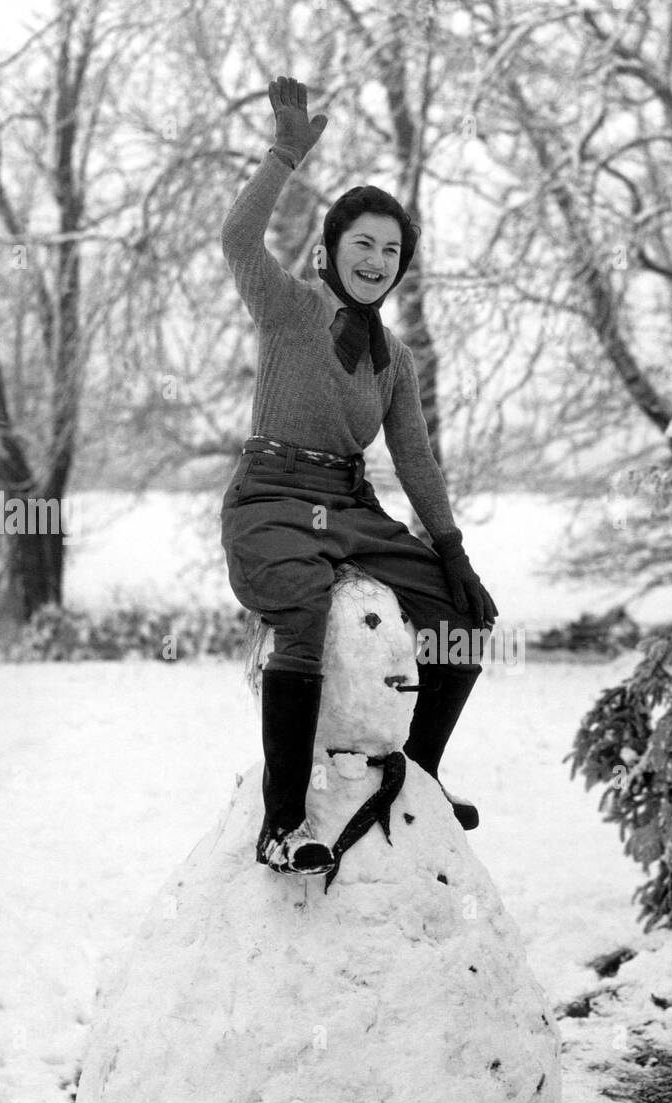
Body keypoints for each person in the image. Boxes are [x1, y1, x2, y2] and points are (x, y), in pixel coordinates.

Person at [220, 76, 498, 877]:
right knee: (303, 614)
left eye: (391, 250)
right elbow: (237, 239)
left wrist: (451, 551)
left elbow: (414, 459)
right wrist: (284, 156)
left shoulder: (395, 360)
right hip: (271, 497)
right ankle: (281, 825)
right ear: (333, 249)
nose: (377, 261)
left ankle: (425, 775)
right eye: (364, 244)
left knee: (461, 620)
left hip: (346, 501)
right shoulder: (289, 310)